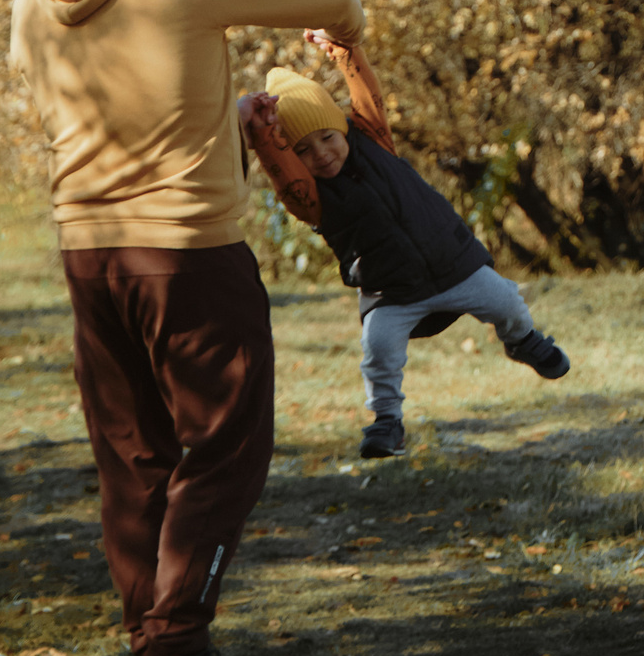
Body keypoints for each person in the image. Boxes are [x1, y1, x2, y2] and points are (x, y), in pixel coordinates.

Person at [9, 0, 366, 656]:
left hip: (88, 251)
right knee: (227, 446)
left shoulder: (30, 1)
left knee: (135, 458)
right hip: (190, 249)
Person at [238, 28, 570, 460]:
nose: (321, 154)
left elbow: (366, 92)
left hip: (454, 265)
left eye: (327, 138)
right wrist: (265, 137)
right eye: (303, 150)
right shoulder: (311, 199)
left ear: (343, 129)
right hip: (390, 291)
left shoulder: (374, 140)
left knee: (505, 300)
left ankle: (523, 340)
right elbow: (282, 174)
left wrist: (344, 51)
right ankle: (386, 420)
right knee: (379, 350)